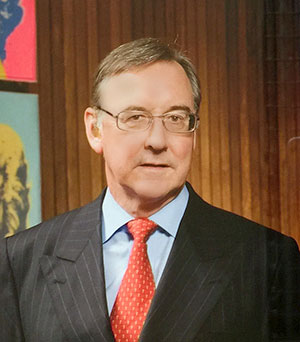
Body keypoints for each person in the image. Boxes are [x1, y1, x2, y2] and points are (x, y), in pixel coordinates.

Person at [0, 38, 300, 342]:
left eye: (176, 118)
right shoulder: (21, 260)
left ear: (194, 132)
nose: (157, 140)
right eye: (135, 117)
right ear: (95, 130)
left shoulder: (267, 259)